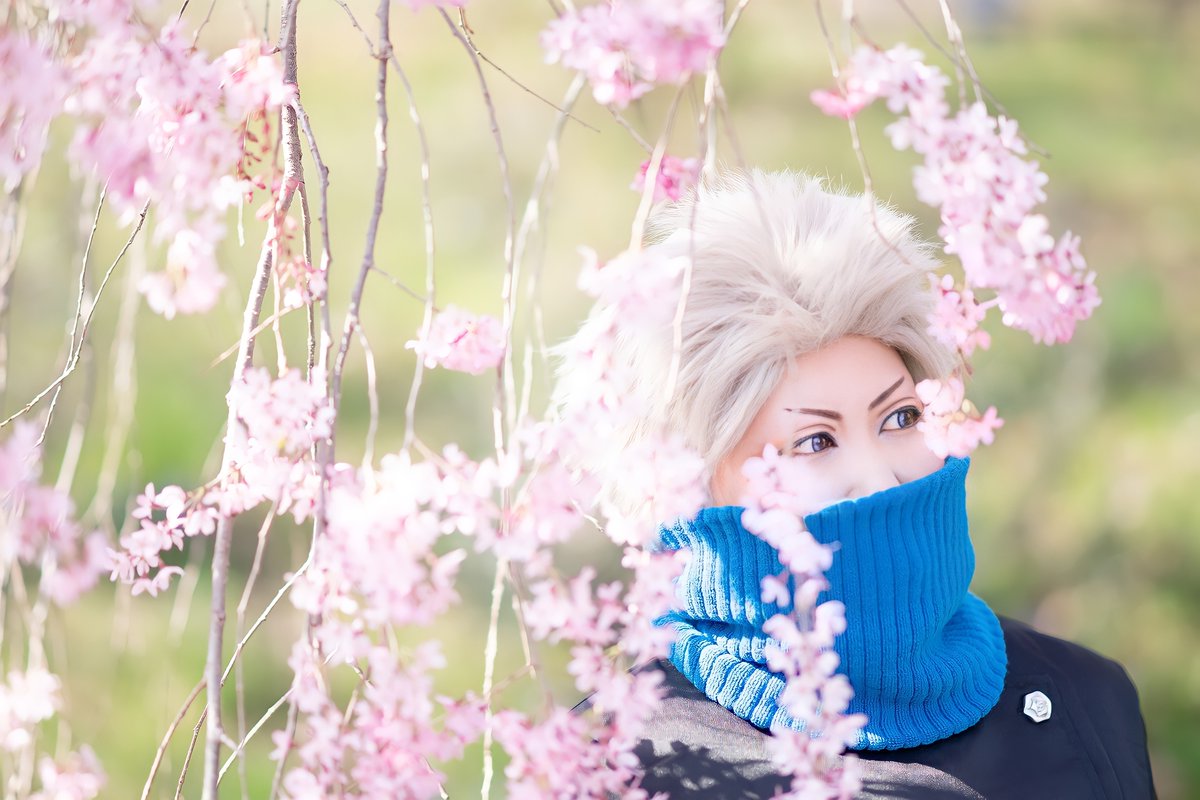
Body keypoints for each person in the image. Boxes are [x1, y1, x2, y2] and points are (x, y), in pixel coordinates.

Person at [570, 171, 1156, 799]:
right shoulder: (622, 758)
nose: (880, 480)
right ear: (695, 488)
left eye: (900, 418)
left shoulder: (1088, 695)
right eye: (815, 441)